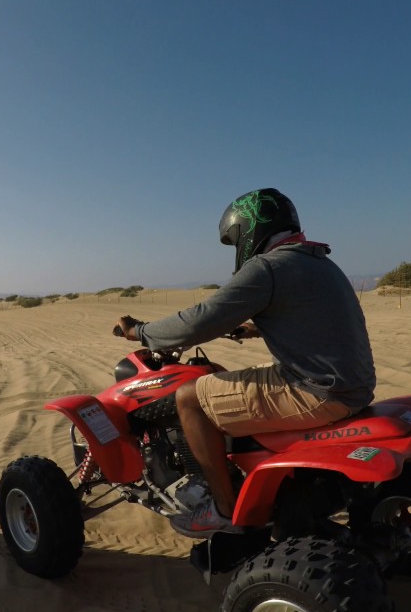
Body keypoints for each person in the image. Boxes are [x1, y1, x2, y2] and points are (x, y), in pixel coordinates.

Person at [114, 188, 375, 538]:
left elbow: (198, 321)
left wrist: (140, 331)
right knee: (227, 381)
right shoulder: (319, 261)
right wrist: (255, 327)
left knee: (190, 398)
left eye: (235, 238)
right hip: (353, 387)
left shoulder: (268, 267)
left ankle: (223, 510)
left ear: (249, 229)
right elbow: (315, 318)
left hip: (317, 391)